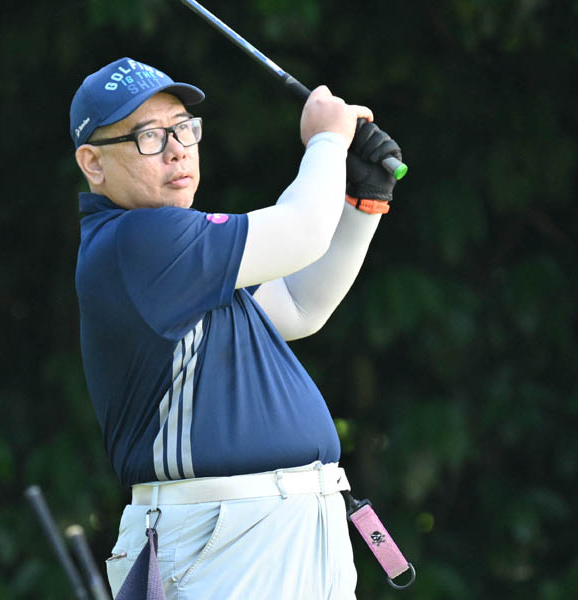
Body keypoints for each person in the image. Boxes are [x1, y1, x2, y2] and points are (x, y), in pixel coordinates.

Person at [70, 56, 401, 599]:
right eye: (149, 137)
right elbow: (301, 231)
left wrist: (361, 205)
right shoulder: (136, 243)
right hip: (218, 536)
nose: (177, 149)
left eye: (183, 128)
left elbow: (298, 304)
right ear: (94, 163)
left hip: (279, 532)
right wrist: (326, 141)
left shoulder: (181, 258)